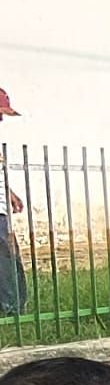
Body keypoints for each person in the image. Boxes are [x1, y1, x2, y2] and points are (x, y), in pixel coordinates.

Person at [0, 86, 28, 316]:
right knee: (5, 258)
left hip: (1, 208)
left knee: (10, 256)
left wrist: (9, 194)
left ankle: (17, 305)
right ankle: (11, 308)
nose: (2, 119)